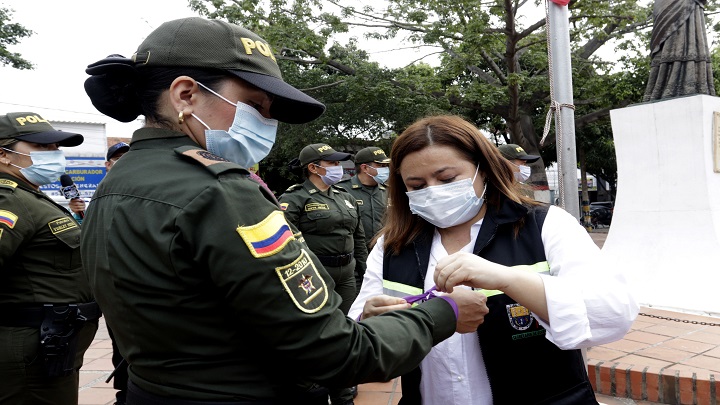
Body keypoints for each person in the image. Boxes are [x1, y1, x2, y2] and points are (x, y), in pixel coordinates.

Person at [80, 17, 488, 404]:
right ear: (186, 94)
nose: (267, 123)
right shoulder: (219, 191)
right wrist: (442, 313)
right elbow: (334, 354)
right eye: (255, 105)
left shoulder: (120, 180)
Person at [349, 115, 638, 405]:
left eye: (447, 179)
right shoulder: (393, 246)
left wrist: (507, 279)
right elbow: (358, 347)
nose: (433, 190)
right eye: (417, 185)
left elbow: (612, 314)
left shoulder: (544, 226)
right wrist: (371, 323)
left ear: (483, 170)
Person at [0, 112, 100, 405]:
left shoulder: (30, 196)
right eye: (42, 147)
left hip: (52, 346)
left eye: (56, 148)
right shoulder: (9, 200)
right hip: (30, 352)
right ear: (4, 155)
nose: (54, 154)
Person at [279, 143, 368, 405]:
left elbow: (358, 237)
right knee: (317, 332)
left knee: (347, 331)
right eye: (331, 163)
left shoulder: (345, 196)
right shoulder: (294, 198)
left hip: (347, 274)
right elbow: (287, 243)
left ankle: (342, 389)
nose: (338, 168)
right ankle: (313, 384)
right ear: (313, 168)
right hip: (315, 277)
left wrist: (364, 268)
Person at [103, 141, 130, 405]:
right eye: (118, 157)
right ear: (108, 164)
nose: (124, 161)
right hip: (115, 290)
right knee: (121, 348)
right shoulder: (102, 195)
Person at [644, 0, 715, 101]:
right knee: (667, 39)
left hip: (689, 4)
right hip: (666, 4)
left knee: (689, 35)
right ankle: (662, 88)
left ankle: (689, 86)